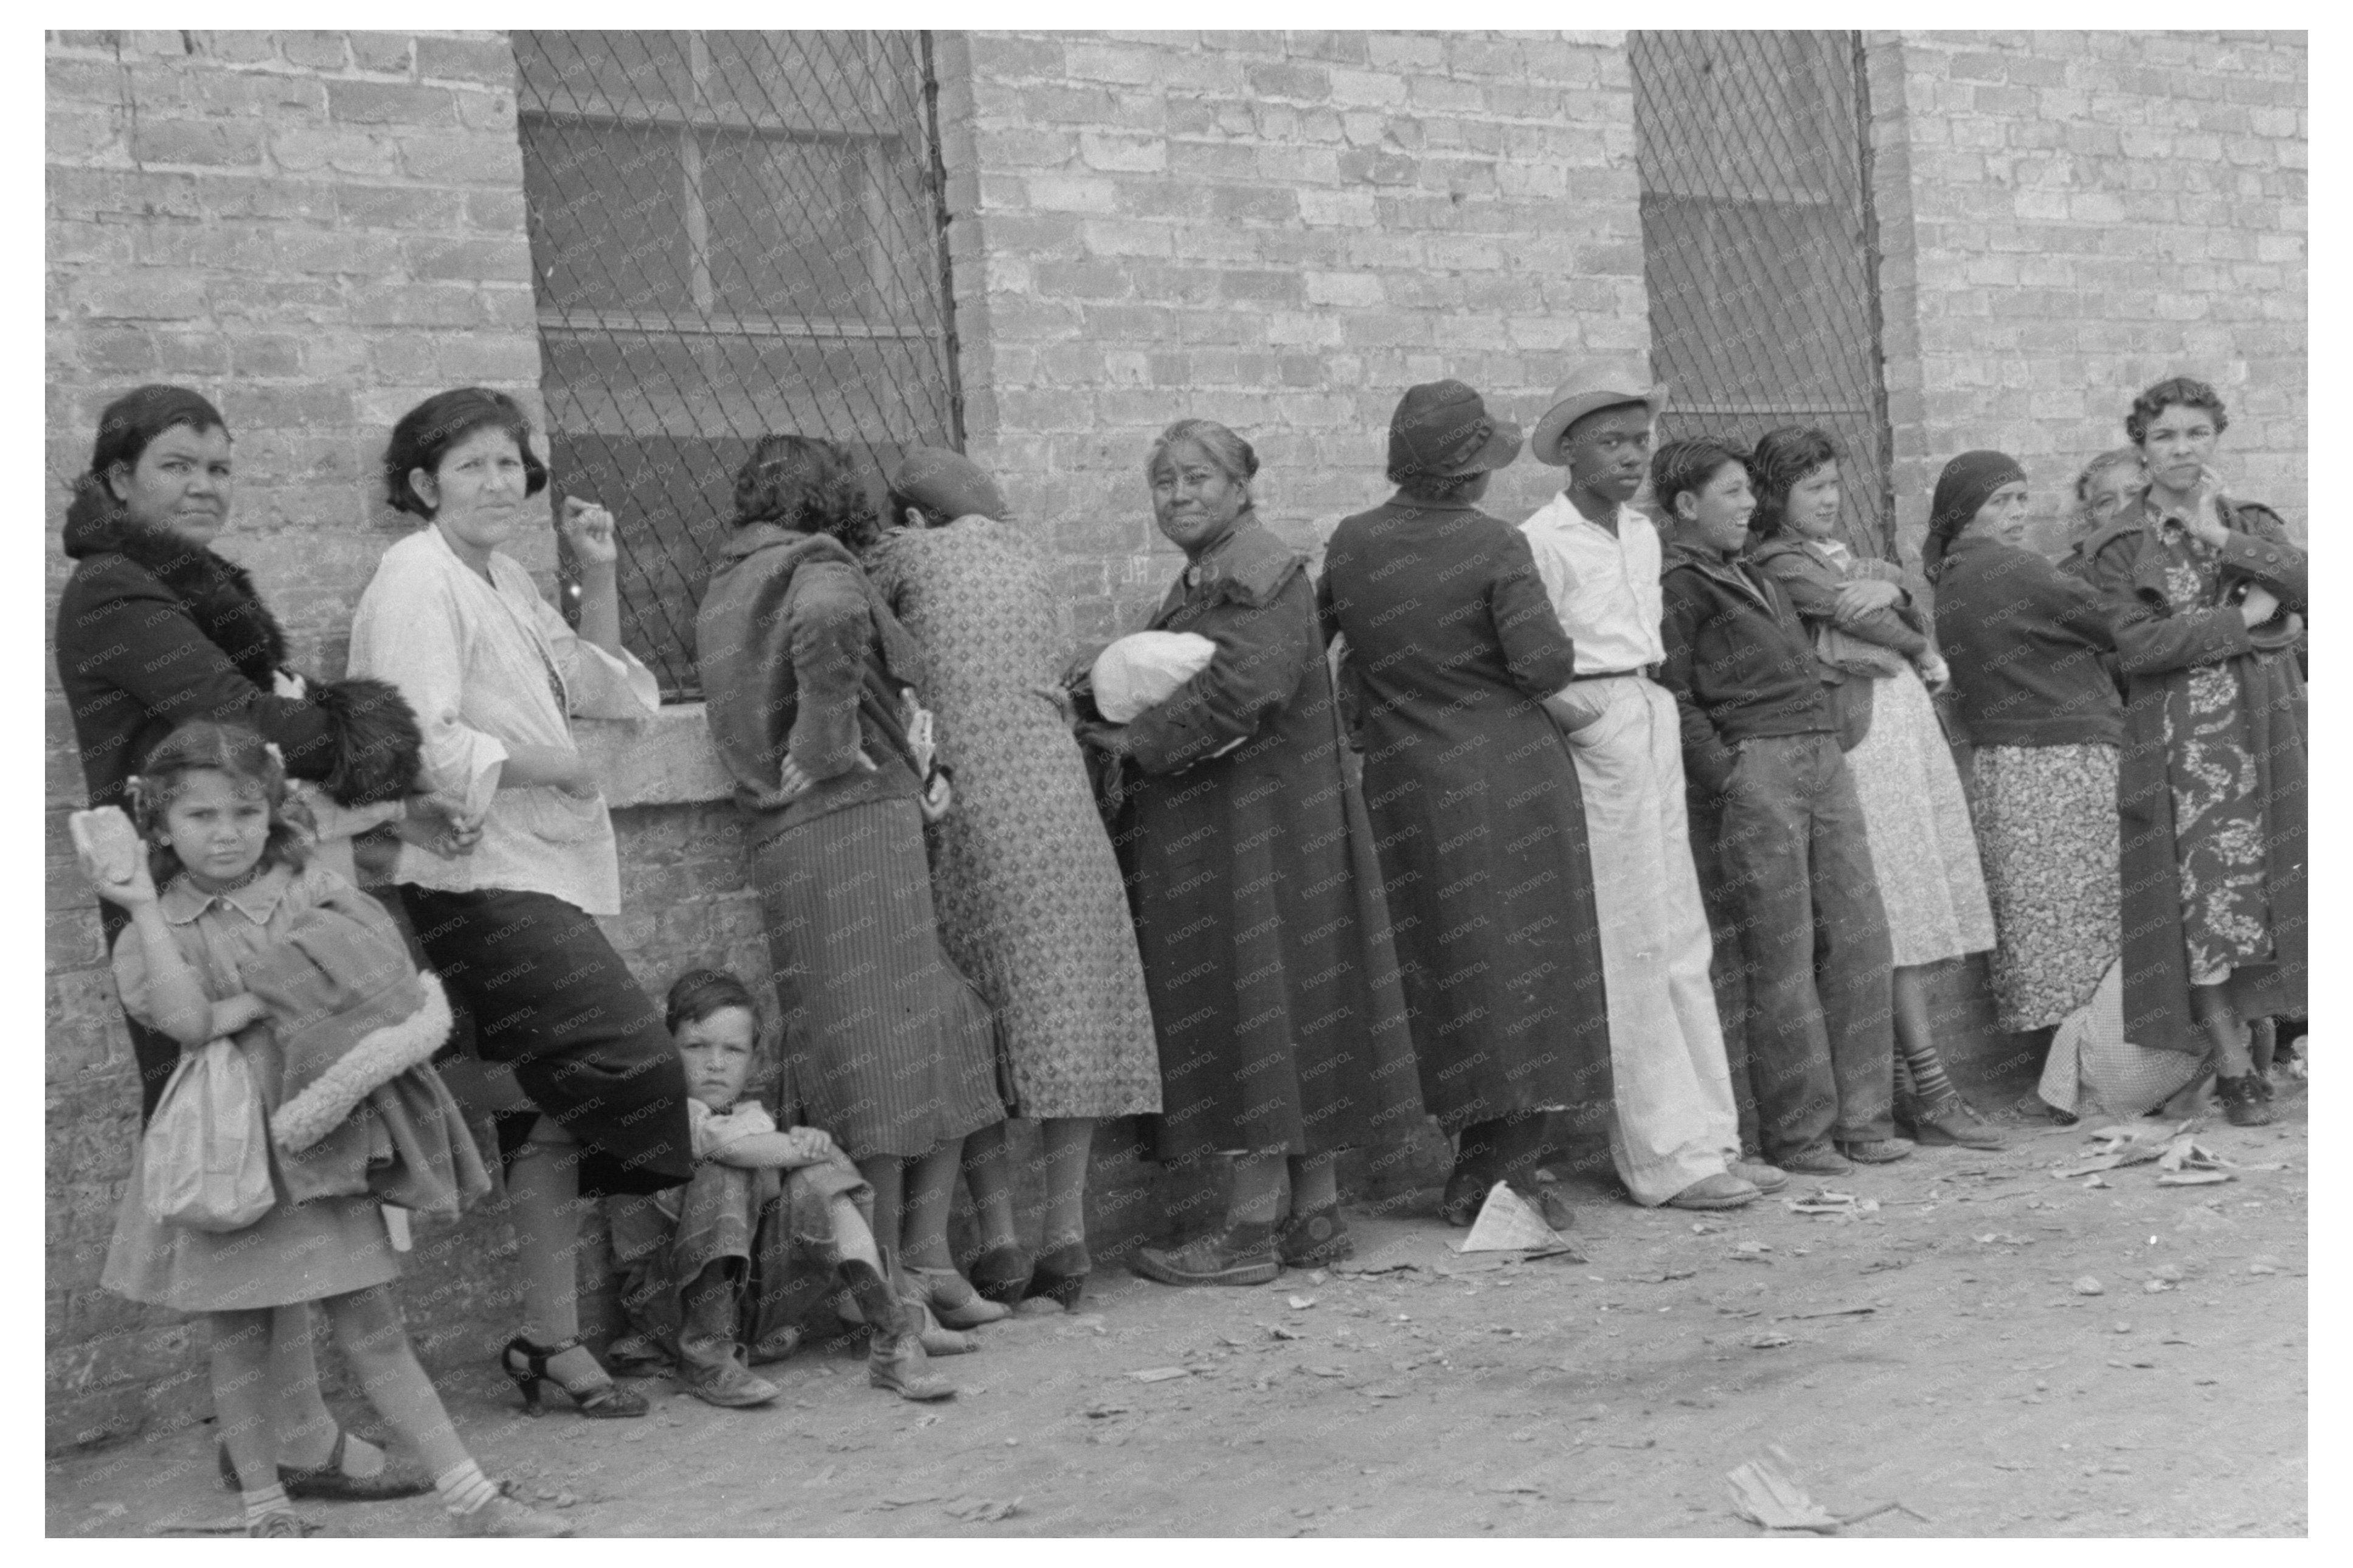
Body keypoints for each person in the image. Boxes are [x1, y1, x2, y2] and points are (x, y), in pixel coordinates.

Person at [53, 384, 454, 1503]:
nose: (205, 487)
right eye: (179, 465)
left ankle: (289, 1426)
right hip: (177, 919)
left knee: (279, 1150)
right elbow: (246, 720)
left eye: (221, 468)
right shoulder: (114, 589)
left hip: (246, 906)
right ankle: (283, 1432)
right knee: (232, 1158)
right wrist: (355, 727)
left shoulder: (177, 585)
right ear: (120, 479)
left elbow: (267, 718)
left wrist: (309, 722)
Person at [81, 722, 563, 1538]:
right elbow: (188, 1020)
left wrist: (249, 1002)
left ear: (272, 812)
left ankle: (471, 1496)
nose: (227, 831)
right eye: (200, 816)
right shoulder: (152, 929)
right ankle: (265, 1509)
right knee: (237, 1334)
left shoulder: (310, 888)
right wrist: (138, 904)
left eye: (244, 809)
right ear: (159, 826)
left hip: (323, 1134)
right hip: (228, 1148)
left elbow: (377, 975)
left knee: (372, 1323)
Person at [347, 387, 696, 1418]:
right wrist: (555, 764)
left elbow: (602, 684)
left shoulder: (497, 573)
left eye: (510, 464)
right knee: (629, 1060)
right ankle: (416, 1116)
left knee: (547, 1104)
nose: (498, 483)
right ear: (422, 485)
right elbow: (415, 735)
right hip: (471, 876)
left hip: (532, 866)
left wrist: (595, 572)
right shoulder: (414, 579)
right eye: (472, 467)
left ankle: (550, 1341)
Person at [695, 433, 1006, 1377]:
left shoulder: (727, 580)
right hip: (851, 825)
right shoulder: (816, 562)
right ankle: (892, 1291)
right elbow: (832, 620)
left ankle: (913, 1270)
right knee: (891, 1057)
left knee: (908, 1042)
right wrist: (828, 736)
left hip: (789, 843)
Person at [1076, 418, 1409, 1285]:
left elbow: (1243, 686)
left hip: (1255, 835)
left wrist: (1132, 740)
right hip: (1265, 828)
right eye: (1164, 482)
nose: (1180, 494)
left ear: (1240, 485)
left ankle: (1248, 1232)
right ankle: (1316, 1216)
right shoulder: (1217, 574)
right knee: (1294, 997)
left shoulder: (1255, 570)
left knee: (1250, 998)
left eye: (1198, 478)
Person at [1317, 379, 1632, 1229]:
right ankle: (1505, 1170)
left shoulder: (1351, 543)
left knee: (1447, 964)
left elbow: (1323, 645)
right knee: (1530, 966)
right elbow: (1543, 666)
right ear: (1467, 469)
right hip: (1511, 778)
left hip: (1406, 784)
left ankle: (1471, 1155)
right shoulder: (1495, 547)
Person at [865, 449, 1163, 1311]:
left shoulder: (908, 555)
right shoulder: (1031, 557)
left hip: (969, 819)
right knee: (1067, 1012)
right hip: (1062, 809)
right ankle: (1065, 1236)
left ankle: (996, 1236)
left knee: (979, 1022)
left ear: (916, 519)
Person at [1514, 371, 1783, 1209]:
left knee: (1680, 932)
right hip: (1598, 719)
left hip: (1651, 706)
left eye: (1640, 439)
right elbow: (1516, 658)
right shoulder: (1541, 540)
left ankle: (1712, 1138)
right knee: (1632, 938)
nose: (1633, 456)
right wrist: (1583, 718)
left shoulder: (1640, 533)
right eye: (1611, 441)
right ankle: (1663, 1159)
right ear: (1569, 452)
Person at [1655, 437, 1907, 1176]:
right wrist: (1726, 773)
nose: (1748, 505)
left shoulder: (1749, 567)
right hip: (1758, 763)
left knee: (1861, 935)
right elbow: (1669, 689)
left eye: (1747, 491)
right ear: (1685, 505)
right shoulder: (1679, 580)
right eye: (1730, 493)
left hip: (1820, 753)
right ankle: (1800, 1136)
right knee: (1783, 951)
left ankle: (1864, 1122)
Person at [1745, 427, 2002, 1151]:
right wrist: (1911, 633)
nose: (1828, 499)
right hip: (1859, 743)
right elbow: (1856, 611)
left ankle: (1904, 1089)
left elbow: (1885, 594)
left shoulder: (1827, 555)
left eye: (1832, 484)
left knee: (1907, 907)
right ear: (1775, 497)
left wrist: (1888, 583)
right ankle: (1926, 1087)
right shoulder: (1777, 558)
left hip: (1895, 733)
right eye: (1810, 488)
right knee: (1887, 916)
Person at [1926, 455, 2200, 1119]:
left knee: (2053, 934)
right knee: (2099, 928)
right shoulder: (2013, 569)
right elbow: (2122, 627)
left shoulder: (1953, 578)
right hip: (2066, 764)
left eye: (2021, 498)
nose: (2016, 514)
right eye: (2001, 502)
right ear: (1965, 514)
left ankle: (2071, 1081)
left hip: (2008, 772)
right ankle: (2089, 1083)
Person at [2064, 377, 2306, 1126]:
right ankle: (2232, 1066)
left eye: (2194, 434)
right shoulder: (2117, 546)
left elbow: (2310, 585)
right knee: (2195, 903)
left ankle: (2271, 1041)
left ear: (2215, 439)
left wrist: (2217, 540)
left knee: (2267, 894)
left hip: (2260, 735)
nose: (2180, 449)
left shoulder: (2247, 522)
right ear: (2140, 448)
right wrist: (2249, 624)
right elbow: (2137, 647)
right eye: (2164, 436)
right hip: (2175, 749)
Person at [606, 970, 951, 1406]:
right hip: (667, 1309)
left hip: (754, 1310)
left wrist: (812, 1153)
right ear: (668, 1050)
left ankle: (893, 1340)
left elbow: (759, 1154)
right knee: (726, 1170)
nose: (715, 1063)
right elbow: (722, 1145)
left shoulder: (751, 1116)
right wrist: (803, 1147)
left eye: (733, 1050)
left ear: (753, 1059)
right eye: (695, 1047)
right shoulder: (658, 1114)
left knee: (819, 1180)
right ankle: (705, 1358)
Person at [2068, 447, 2149, 551]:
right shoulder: (2077, 566)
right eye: (2106, 502)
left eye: (2135, 495)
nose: (2121, 509)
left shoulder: (2174, 557)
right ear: (2089, 517)